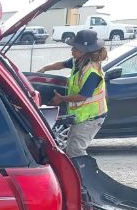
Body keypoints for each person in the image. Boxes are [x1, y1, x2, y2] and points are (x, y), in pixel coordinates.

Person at [38, 29, 108, 158]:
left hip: (92, 118)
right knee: (70, 148)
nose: (72, 50)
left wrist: (62, 99)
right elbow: (63, 64)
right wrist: (45, 68)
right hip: (82, 116)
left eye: (75, 48)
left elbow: (83, 96)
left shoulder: (92, 72)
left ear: (84, 51)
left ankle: (84, 175)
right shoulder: (78, 61)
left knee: (76, 152)